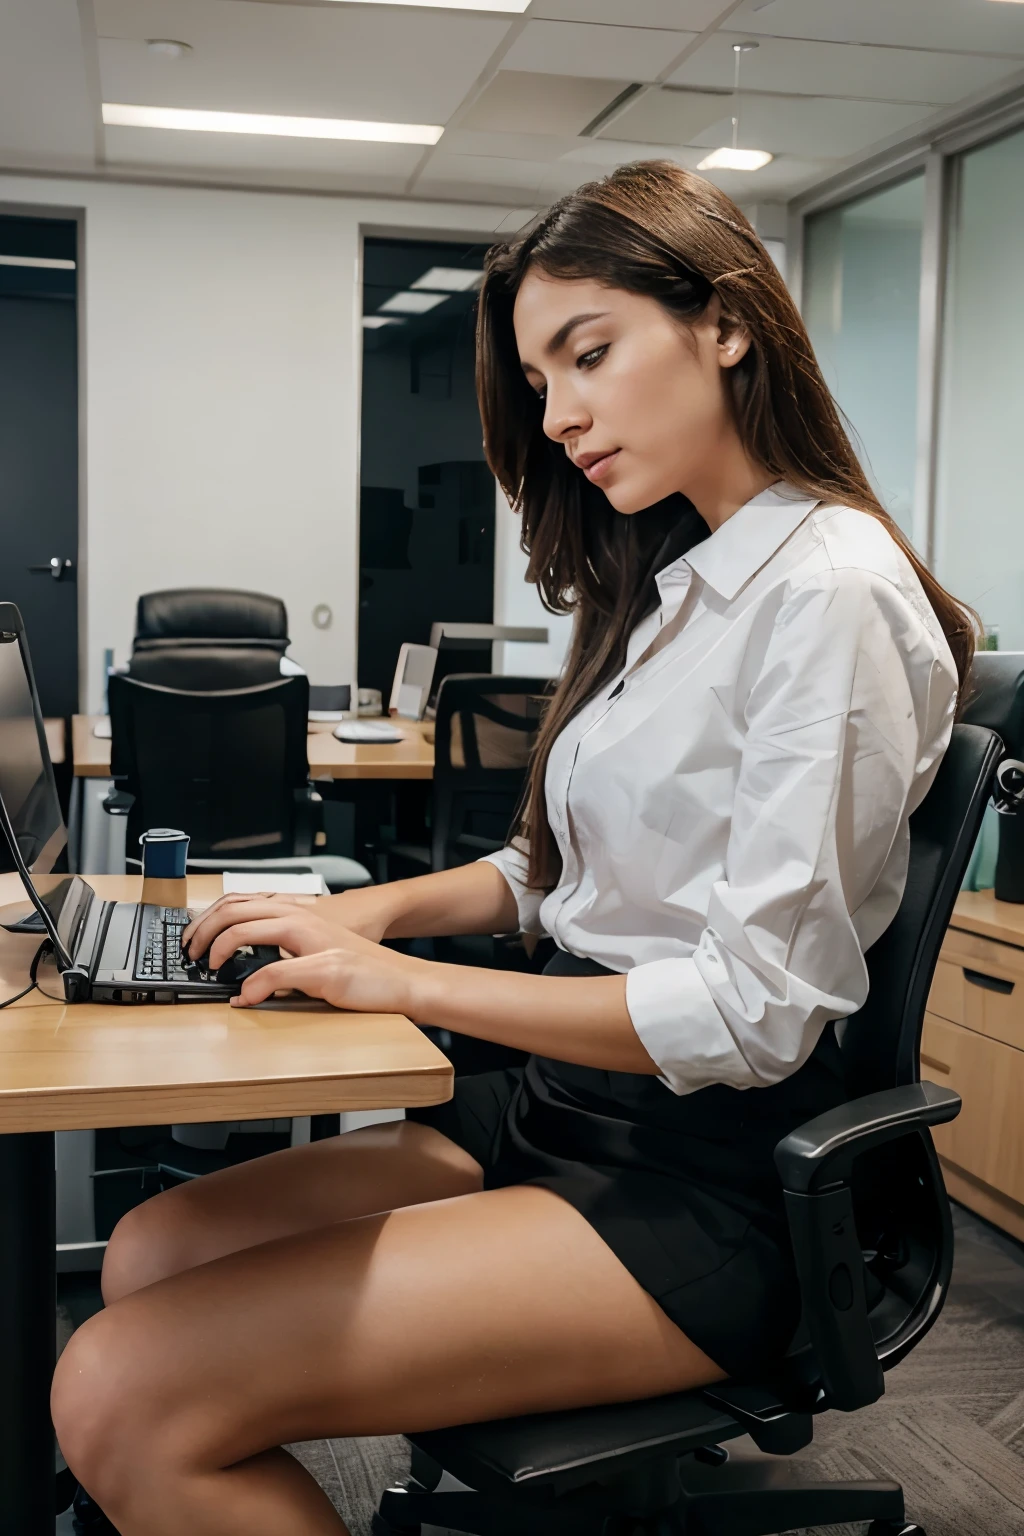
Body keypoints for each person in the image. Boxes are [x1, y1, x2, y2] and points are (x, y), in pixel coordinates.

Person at [52, 161, 974, 1536]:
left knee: (123, 1391)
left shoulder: (827, 595)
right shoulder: (676, 586)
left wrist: (411, 984)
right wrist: (374, 916)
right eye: (542, 382)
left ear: (726, 321)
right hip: (555, 1110)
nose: (563, 417)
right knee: (146, 1248)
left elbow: (752, 1015)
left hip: (707, 1182)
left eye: (588, 355)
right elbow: (556, 875)